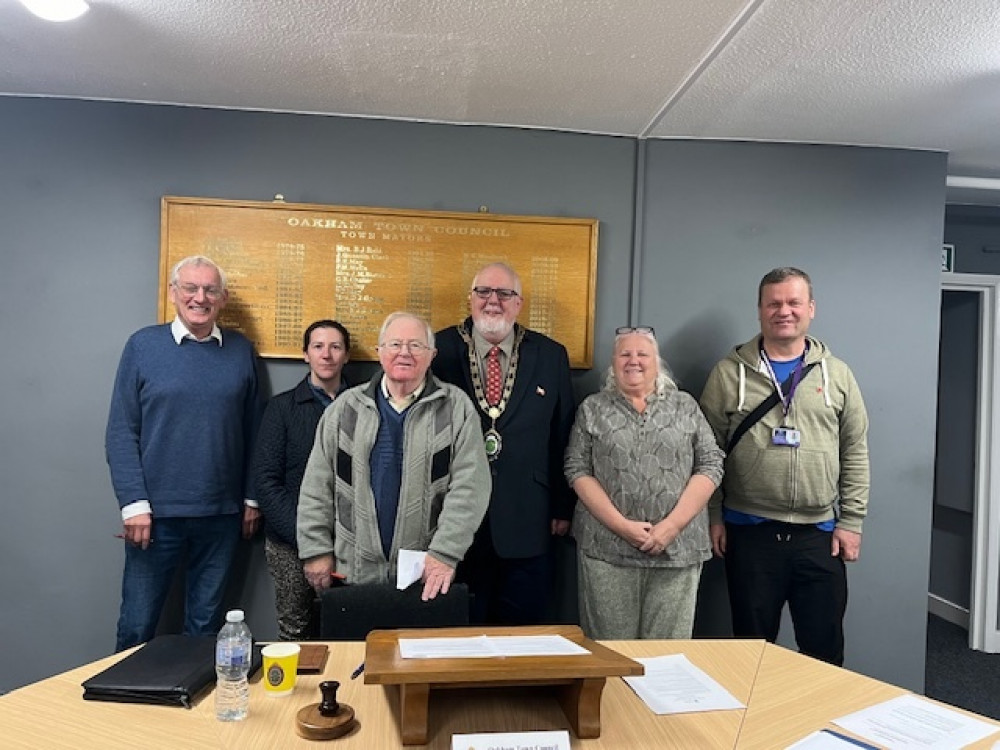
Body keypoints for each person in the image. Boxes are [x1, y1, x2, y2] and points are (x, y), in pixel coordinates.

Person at [699, 267, 870, 666]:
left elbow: (855, 451)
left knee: (824, 651)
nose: (784, 311)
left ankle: (816, 726)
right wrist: (712, 515)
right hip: (749, 533)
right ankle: (756, 728)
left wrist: (852, 521)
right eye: (774, 303)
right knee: (752, 652)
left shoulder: (838, 374)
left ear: (810, 308)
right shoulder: (728, 373)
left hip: (819, 535)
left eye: (794, 302)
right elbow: (706, 452)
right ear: (760, 310)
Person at [106, 255, 261, 652]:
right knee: (136, 627)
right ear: (174, 293)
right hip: (154, 518)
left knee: (205, 631)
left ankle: (189, 711)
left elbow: (255, 432)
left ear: (223, 298)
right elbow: (121, 431)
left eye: (210, 289)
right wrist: (133, 505)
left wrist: (251, 497)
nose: (200, 297)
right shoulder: (143, 345)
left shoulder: (241, 350)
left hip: (221, 517)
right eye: (190, 288)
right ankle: (121, 711)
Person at [297, 312, 490, 601]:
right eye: (395, 344)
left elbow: (470, 488)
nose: (404, 353)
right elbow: (317, 487)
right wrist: (315, 550)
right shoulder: (345, 408)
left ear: (432, 355)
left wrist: (444, 553)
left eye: (416, 346)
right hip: (353, 575)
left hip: (427, 576)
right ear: (380, 352)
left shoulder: (456, 408)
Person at [432, 262, 577, 625]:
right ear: (470, 298)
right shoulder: (439, 349)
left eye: (504, 294)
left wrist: (563, 506)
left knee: (523, 634)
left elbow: (563, 433)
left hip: (529, 518)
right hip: (454, 518)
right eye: (483, 292)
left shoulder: (550, 354)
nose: (492, 301)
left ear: (519, 303)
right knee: (458, 631)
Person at [564, 327, 724, 639]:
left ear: (657, 362)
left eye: (642, 354)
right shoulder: (592, 408)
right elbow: (576, 468)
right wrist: (623, 526)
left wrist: (673, 526)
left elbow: (711, 463)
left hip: (677, 550)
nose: (633, 360)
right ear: (613, 363)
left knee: (666, 655)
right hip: (607, 550)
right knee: (610, 651)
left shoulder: (685, 406)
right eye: (625, 354)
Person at [252, 320, 351, 640]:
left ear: (346, 356)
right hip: (290, 541)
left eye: (335, 347)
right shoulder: (281, 409)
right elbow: (266, 482)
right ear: (305, 354)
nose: (327, 355)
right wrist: (310, 542)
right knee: (296, 632)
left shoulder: (365, 406)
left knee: (349, 630)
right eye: (318, 346)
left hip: (350, 542)